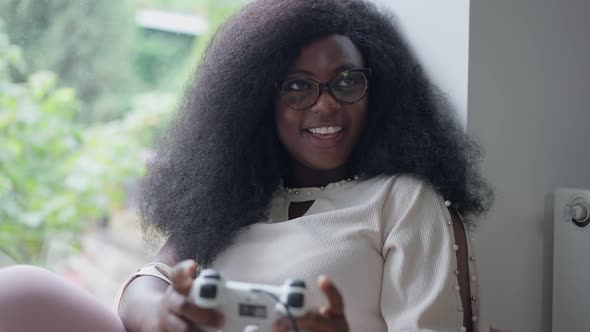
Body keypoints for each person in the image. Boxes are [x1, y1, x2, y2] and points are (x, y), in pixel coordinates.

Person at [0, 0, 497, 331]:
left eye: (347, 82)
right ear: (261, 104)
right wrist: (164, 313)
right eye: (298, 86)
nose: (325, 106)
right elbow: (146, 282)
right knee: (19, 291)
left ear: (379, 94)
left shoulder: (401, 200)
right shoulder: (234, 202)